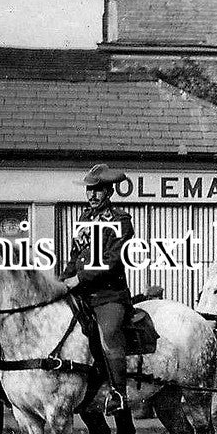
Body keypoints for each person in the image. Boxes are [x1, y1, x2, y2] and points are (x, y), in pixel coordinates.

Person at [62, 164, 135, 414]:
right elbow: (75, 256)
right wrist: (62, 281)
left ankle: (118, 393)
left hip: (109, 296)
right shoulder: (84, 219)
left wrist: (79, 279)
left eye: (98, 191)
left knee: (109, 333)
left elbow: (111, 260)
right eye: (89, 191)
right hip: (82, 293)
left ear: (109, 192)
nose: (92, 196)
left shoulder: (121, 220)